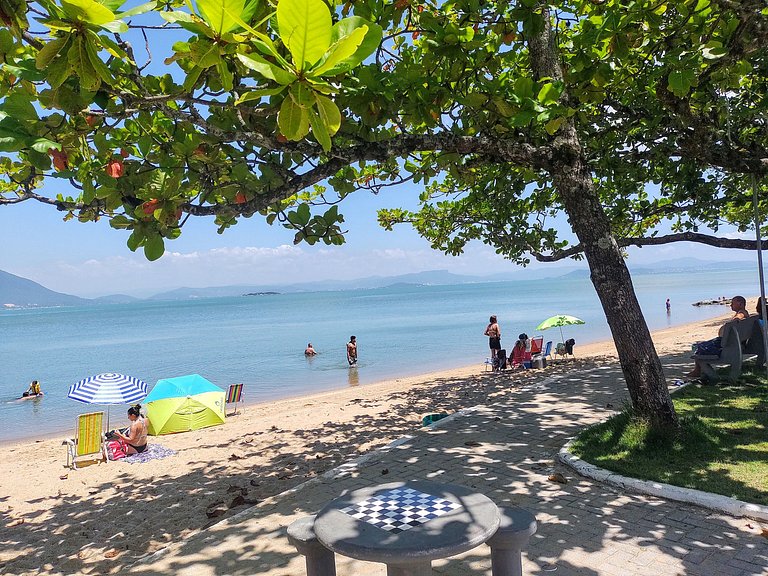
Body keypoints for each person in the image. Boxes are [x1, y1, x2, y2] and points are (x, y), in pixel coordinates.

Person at [687, 295, 749, 378]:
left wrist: (734, 320)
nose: (731, 305)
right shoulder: (745, 313)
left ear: (740, 304)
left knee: (697, 347)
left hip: (728, 345)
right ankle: (699, 370)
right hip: (735, 343)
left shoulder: (742, 313)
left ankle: (698, 371)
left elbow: (740, 316)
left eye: (733, 303)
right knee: (701, 345)